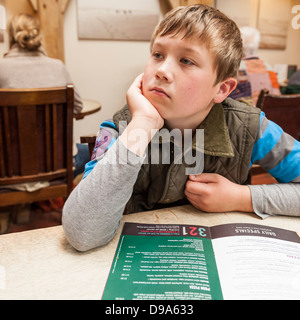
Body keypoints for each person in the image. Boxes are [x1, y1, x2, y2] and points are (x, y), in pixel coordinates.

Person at [62, 5, 300, 252]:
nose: (162, 70)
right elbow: (82, 233)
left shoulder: (251, 127)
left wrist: (242, 198)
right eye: (157, 55)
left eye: (186, 60)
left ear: (221, 89)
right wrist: (141, 126)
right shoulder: (121, 129)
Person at [0, 13, 88, 178]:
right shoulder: (57, 67)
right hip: (61, 165)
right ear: (38, 35)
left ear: (11, 37)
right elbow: (78, 107)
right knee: (97, 149)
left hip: (9, 171)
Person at [229, 26, 281, 106]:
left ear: (239, 45)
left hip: (246, 116)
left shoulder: (235, 68)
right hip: (268, 116)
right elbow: (277, 99)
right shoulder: (270, 68)